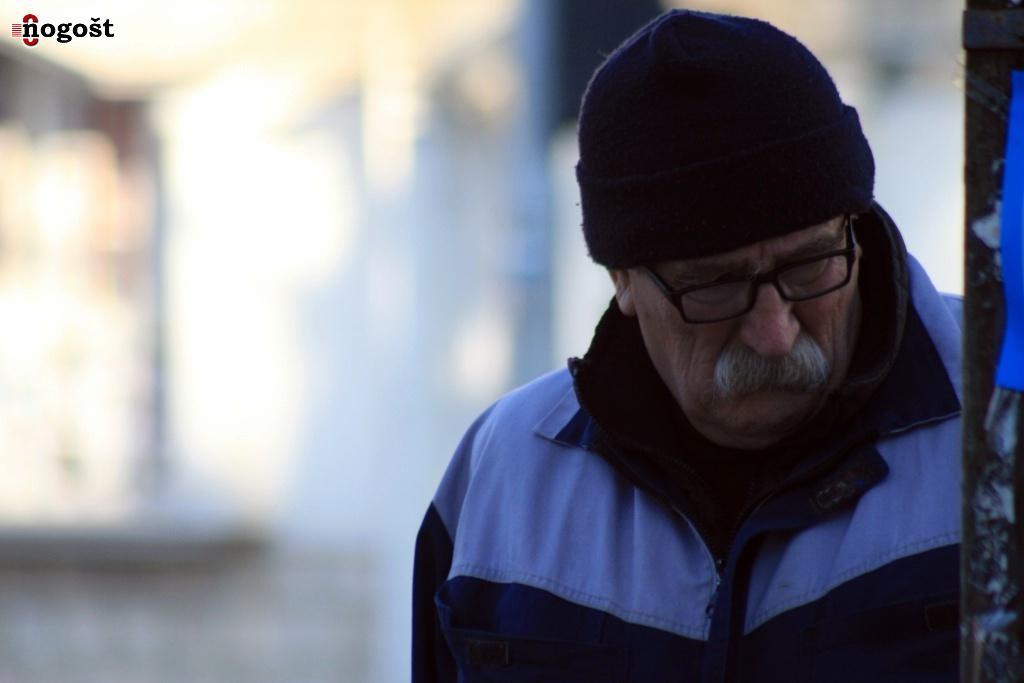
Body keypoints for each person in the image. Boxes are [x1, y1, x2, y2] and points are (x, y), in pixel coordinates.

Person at [413, 9, 961, 682]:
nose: (775, 333)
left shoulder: (1000, 423)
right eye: (716, 286)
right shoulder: (503, 479)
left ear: (854, 226)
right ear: (622, 279)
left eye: (809, 265)